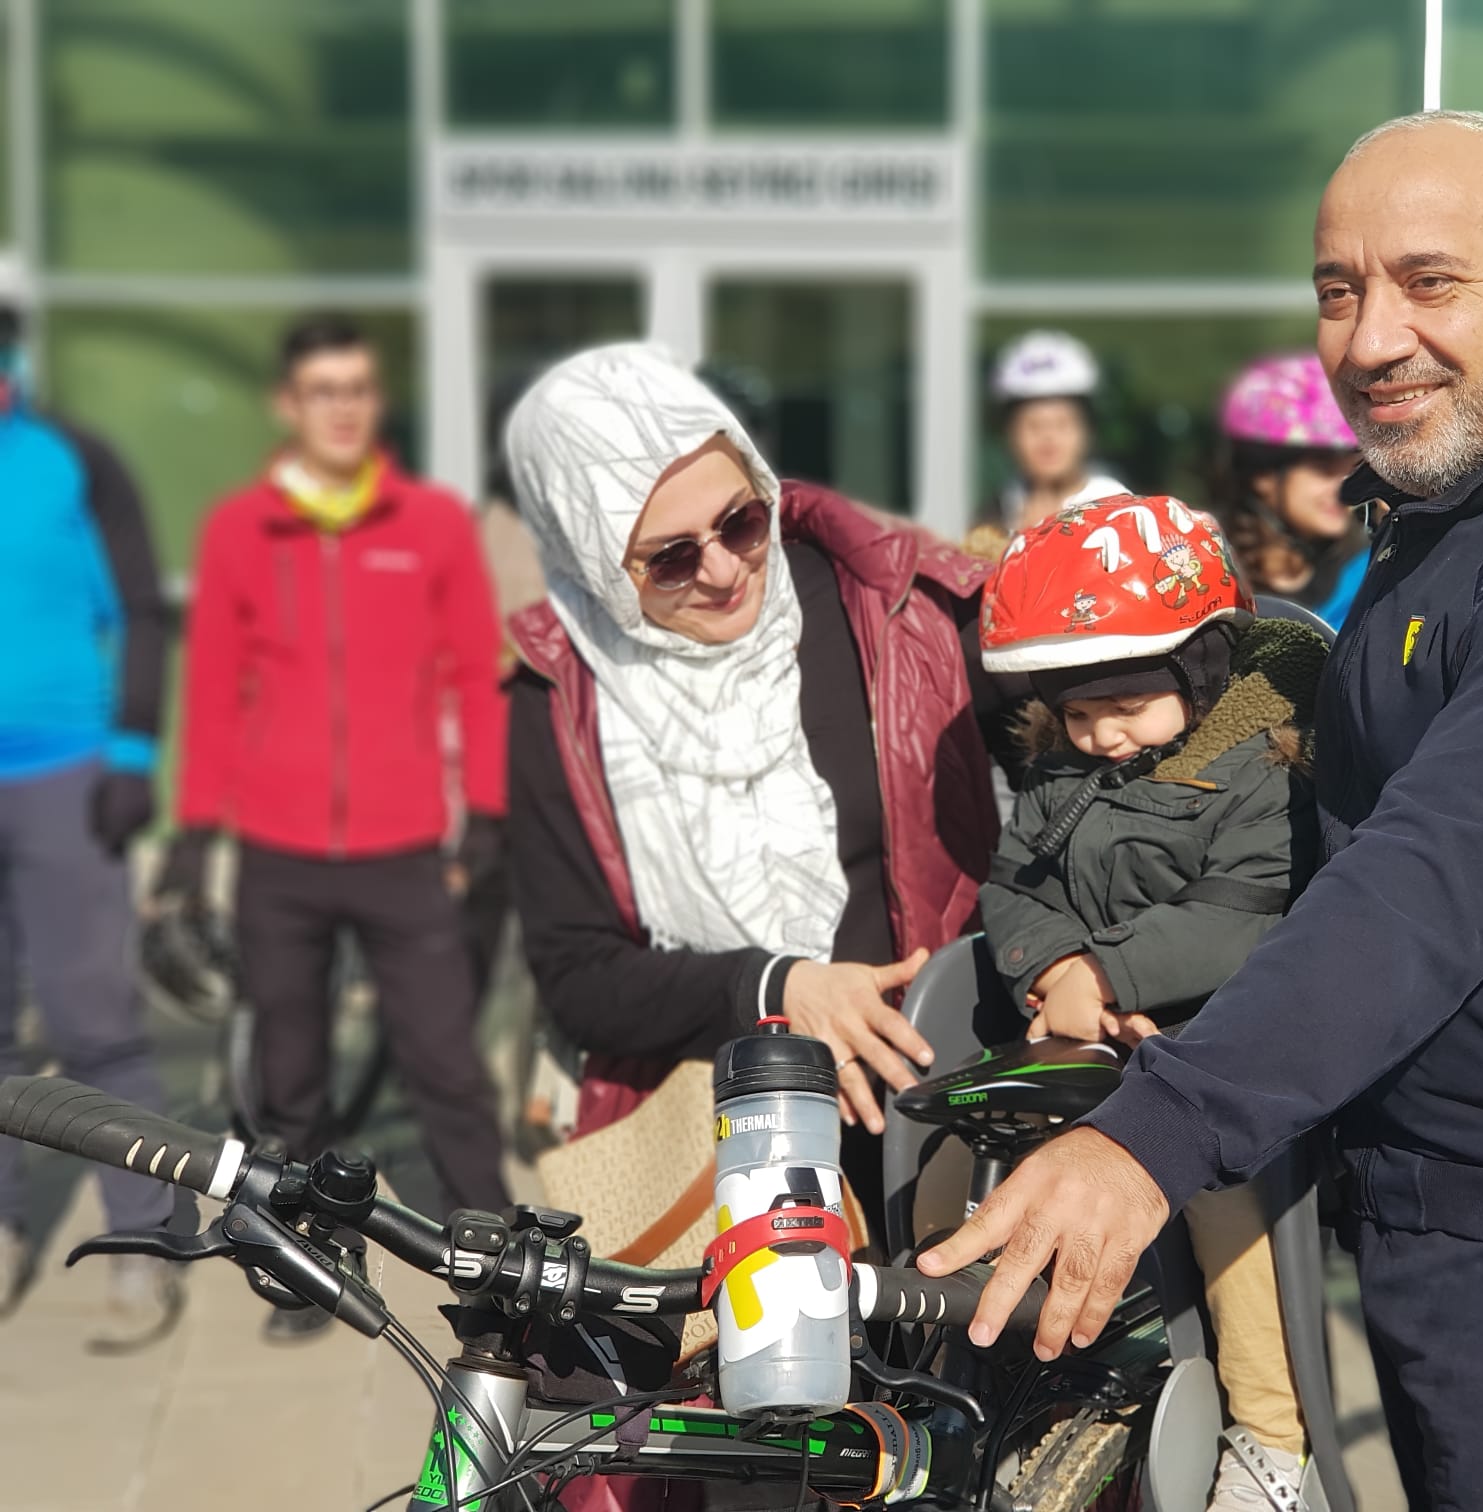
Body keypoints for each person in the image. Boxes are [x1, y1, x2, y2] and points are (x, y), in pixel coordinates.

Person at [923, 110, 1483, 1511]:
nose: (1373, 338)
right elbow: (1313, 836)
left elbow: (1426, 882)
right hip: (1441, 1209)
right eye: (1339, 289)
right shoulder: (1438, 522)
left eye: (1429, 281)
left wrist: (1153, 1137)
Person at [501, 343, 1013, 1231]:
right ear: (594, 563)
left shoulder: (897, 609)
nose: (725, 569)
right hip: (718, 1149)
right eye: (669, 559)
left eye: (740, 521)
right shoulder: (557, 697)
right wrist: (773, 989)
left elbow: (1084, 764)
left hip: (946, 1115)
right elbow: (578, 975)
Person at [156, 314, 511, 1326]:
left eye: (357, 388)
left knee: (446, 1066)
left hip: (405, 850)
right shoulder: (240, 529)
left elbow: (474, 676)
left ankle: (500, 1270)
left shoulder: (431, 524)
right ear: (289, 404)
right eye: (323, 391)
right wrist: (192, 837)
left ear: (375, 398)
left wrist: (486, 814)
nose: (343, 408)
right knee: (291, 1079)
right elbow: (215, 692)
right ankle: (311, 1265)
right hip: (279, 852)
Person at [978, 494, 1327, 1511]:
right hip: (1085, 1034)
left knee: (1228, 1216)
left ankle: (1272, 1438)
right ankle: (1007, 1384)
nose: (1101, 734)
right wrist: (1050, 967)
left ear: (1201, 671)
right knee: (973, 1156)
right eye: (1078, 713)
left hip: (1220, 1052)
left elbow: (1241, 913)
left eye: (1127, 705)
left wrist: (1110, 976)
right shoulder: (1063, 774)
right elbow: (1014, 885)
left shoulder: (1260, 771)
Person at [0, 303, 182, 1342]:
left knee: (94, 1024)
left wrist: (133, 752)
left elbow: (141, 611)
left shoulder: (77, 459)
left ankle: (142, 1240)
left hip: (63, 777)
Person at [1215, 353, 1369, 626]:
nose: (1346, 486)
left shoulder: (1369, 575)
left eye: (1353, 468)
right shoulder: (1205, 576)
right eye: (1324, 469)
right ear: (1263, 475)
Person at [983, 330, 1129, 541]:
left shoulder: (1119, 508)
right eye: (1033, 426)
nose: (1048, 438)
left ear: (1087, 430)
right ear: (1009, 434)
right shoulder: (996, 515)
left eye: (1062, 424)